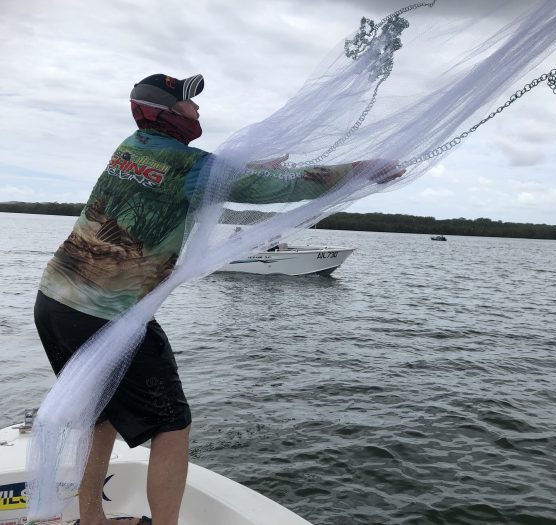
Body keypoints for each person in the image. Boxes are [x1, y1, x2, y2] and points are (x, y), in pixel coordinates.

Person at [33, 73, 402, 525]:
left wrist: (246, 171)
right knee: (173, 426)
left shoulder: (130, 148)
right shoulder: (194, 168)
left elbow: (195, 177)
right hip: (108, 315)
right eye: (189, 102)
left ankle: (91, 519)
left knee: (99, 414)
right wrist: (359, 170)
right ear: (168, 111)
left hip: (53, 301)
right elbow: (282, 188)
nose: (197, 109)